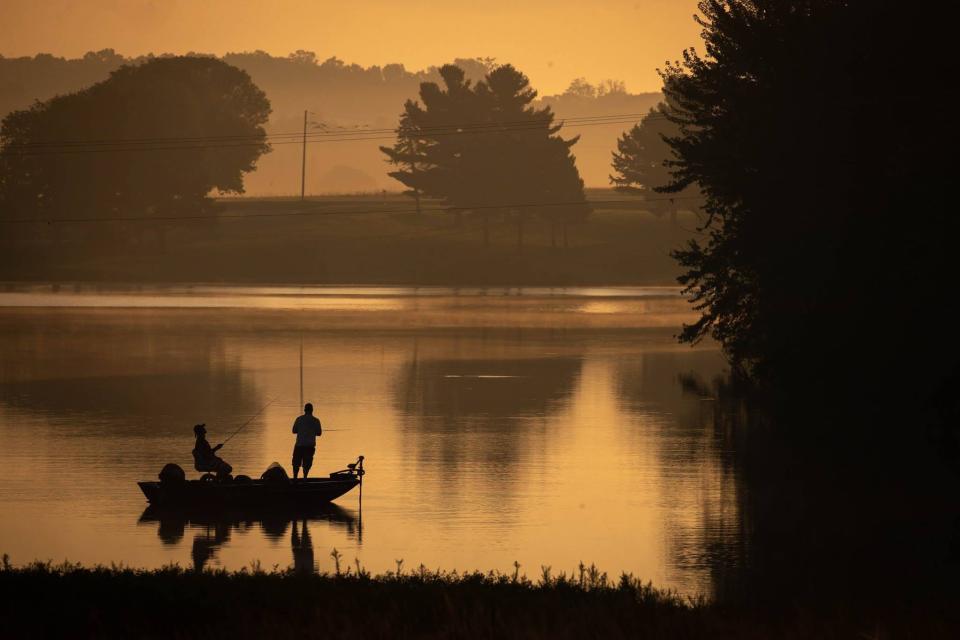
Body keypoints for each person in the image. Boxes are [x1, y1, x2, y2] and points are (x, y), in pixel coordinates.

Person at [291, 403, 322, 479]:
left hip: (299, 445)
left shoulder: (299, 419)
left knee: (296, 463)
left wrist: (302, 430)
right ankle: (305, 478)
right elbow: (319, 433)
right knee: (307, 464)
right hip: (309, 446)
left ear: (304, 410)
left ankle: (295, 478)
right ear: (312, 410)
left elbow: (294, 431)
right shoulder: (316, 420)